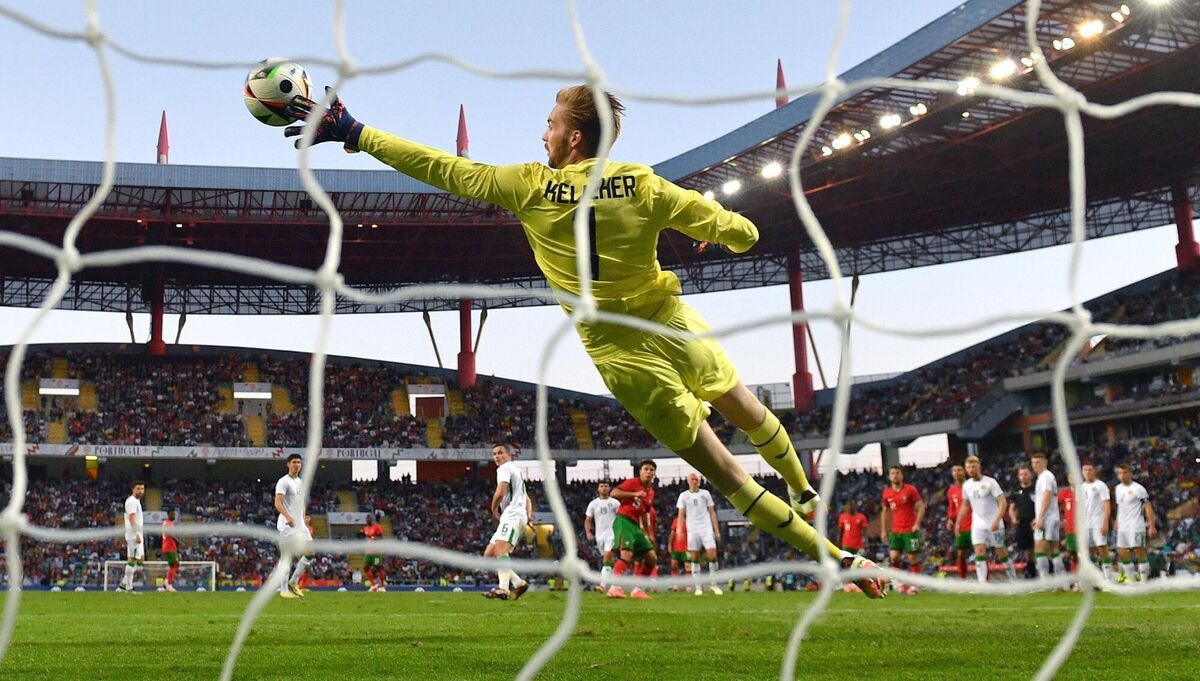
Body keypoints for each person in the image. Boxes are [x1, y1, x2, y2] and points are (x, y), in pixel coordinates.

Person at [283, 85, 886, 598]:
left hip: (622, 355)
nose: (542, 133)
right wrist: (718, 229)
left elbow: (440, 167)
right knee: (750, 410)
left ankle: (841, 562)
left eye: (550, 124)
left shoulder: (529, 187)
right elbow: (746, 233)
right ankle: (805, 488)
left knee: (728, 473)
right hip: (670, 322)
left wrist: (355, 131)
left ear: (573, 140)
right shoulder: (642, 184)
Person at [483, 443, 532, 601]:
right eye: (494, 454)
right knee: (489, 555)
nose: (497, 456)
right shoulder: (516, 471)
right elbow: (527, 498)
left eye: (500, 453)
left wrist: (493, 508)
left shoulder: (504, 469)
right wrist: (528, 515)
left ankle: (503, 588)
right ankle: (518, 583)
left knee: (501, 552)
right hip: (515, 515)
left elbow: (500, 491)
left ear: (509, 455)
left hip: (512, 515)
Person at [958, 456, 1018, 583]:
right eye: (968, 467)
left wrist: (997, 519)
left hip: (994, 522)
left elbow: (1003, 502)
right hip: (978, 523)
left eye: (973, 466)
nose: (971, 470)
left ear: (979, 466)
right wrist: (958, 522)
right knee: (979, 550)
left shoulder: (990, 482)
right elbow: (965, 504)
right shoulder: (966, 485)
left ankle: (1013, 579)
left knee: (1000, 551)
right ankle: (982, 583)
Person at [607, 460, 659, 600]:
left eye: (651, 470)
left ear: (654, 473)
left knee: (651, 558)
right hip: (624, 520)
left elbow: (644, 514)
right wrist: (634, 494)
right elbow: (613, 493)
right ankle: (614, 588)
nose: (648, 472)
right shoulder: (632, 483)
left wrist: (647, 534)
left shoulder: (651, 492)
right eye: (646, 469)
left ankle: (638, 590)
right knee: (626, 554)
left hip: (636, 526)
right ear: (640, 472)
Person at [676, 473, 722, 596]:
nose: (695, 481)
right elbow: (681, 515)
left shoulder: (705, 494)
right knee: (694, 557)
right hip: (692, 529)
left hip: (706, 528)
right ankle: (698, 587)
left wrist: (716, 530)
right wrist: (679, 530)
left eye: (697, 479)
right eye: (692, 479)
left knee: (712, 554)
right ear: (688, 481)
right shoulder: (683, 496)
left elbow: (712, 512)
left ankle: (714, 585)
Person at [880, 466, 924, 593]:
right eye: (892, 473)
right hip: (896, 530)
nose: (895, 475)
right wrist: (883, 530)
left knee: (912, 558)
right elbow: (885, 511)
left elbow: (921, 507)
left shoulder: (910, 490)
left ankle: (916, 585)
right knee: (893, 557)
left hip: (910, 530)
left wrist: (917, 523)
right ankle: (899, 583)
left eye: (897, 473)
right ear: (889, 476)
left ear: (902, 475)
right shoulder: (887, 493)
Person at [274, 453, 313, 598]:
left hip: (299, 524)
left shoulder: (300, 482)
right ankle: (283, 590)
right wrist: (288, 516)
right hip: (286, 524)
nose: (297, 464)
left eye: (299, 462)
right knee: (286, 556)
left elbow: (301, 503)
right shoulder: (283, 482)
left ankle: (293, 581)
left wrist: (303, 519)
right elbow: (277, 503)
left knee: (311, 552)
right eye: (294, 462)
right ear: (288, 464)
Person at [1113, 463, 1156, 583]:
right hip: (1123, 526)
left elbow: (1148, 507)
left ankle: (1144, 581)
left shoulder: (1138, 489)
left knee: (1139, 552)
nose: (1122, 475)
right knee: (1122, 553)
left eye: (1125, 472)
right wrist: (1117, 521)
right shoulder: (1118, 488)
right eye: (1120, 473)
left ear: (1130, 473)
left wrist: (1151, 525)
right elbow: (1120, 506)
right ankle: (1131, 580)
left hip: (1136, 525)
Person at [1030, 453, 1064, 582]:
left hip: (1047, 519)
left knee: (1040, 548)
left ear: (1045, 462)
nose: (1035, 465)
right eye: (1033, 462)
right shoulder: (1046, 477)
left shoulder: (1045, 477)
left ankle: (1045, 581)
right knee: (1053, 549)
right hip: (1051, 517)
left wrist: (1040, 517)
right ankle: (1061, 581)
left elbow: (1047, 495)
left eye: (1038, 462)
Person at [1080, 463, 1116, 583]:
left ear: (1095, 471)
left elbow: (1107, 505)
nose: (1087, 472)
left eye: (1090, 469)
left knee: (1102, 548)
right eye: (1085, 470)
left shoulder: (1101, 486)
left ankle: (1109, 578)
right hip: (1085, 522)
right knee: (1089, 550)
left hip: (1098, 521)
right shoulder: (1081, 487)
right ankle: (1095, 579)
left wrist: (1105, 522)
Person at [583, 481, 620, 592]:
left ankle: (603, 585)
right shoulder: (593, 504)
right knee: (608, 561)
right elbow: (588, 520)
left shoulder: (615, 503)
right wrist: (588, 532)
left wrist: (620, 532)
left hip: (612, 534)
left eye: (606, 486)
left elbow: (621, 518)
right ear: (598, 489)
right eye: (601, 486)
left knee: (607, 558)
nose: (604, 488)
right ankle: (616, 584)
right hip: (599, 536)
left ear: (609, 489)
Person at [1009, 466, 1037, 578]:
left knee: (1041, 547)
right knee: (1027, 549)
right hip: (1023, 523)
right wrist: (1013, 519)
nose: (1023, 476)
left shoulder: (1036, 489)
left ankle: (1048, 570)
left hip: (1036, 522)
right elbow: (1012, 508)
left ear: (1031, 475)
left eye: (1026, 474)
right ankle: (1031, 570)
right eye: (1021, 474)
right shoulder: (1015, 492)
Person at [945, 464, 971, 580]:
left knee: (980, 552)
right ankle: (963, 579)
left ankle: (984, 581)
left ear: (964, 471)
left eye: (959, 470)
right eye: (954, 470)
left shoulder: (972, 486)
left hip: (975, 524)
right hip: (961, 526)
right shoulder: (951, 491)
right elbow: (952, 508)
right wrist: (950, 520)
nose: (957, 472)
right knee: (960, 554)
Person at [120, 480, 145, 593]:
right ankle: (128, 587)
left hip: (136, 534)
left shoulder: (136, 501)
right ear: (133, 489)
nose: (141, 491)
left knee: (140, 559)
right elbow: (131, 518)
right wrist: (136, 534)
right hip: (134, 535)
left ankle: (124, 583)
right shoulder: (132, 502)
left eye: (142, 489)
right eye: (138, 488)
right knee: (133, 559)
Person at [362, 516, 386, 592]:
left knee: (378, 567)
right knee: (366, 567)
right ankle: (373, 585)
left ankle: (382, 586)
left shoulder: (377, 527)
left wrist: (373, 538)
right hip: (368, 551)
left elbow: (381, 537)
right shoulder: (365, 528)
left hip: (376, 551)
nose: (368, 521)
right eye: (367, 520)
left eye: (369, 520)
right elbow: (366, 537)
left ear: (372, 520)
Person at [667, 513, 690, 592]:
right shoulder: (676, 521)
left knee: (688, 566)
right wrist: (670, 544)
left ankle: (688, 585)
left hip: (687, 547)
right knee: (674, 565)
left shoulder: (690, 521)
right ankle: (675, 585)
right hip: (676, 547)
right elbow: (672, 534)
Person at [1058, 483, 1076, 579]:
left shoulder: (1085, 490)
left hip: (1083, 528)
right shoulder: (1065, 492)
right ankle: (1074, 581)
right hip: (1070, 530)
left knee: (1083, 554)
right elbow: (1056, 505)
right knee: (1072, 555)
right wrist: (1061, 518)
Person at [162, 509, 179, 592]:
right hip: (169, 547)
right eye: (173, 514)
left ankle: (166, 582)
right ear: (169, 514)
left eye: (175, 515)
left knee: (173, 565)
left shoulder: (166, 523)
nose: (174, 516)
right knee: (175, 565)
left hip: (167, 546)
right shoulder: (168, 523)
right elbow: (169, 534)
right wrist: (179, 541)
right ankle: (169, 584)